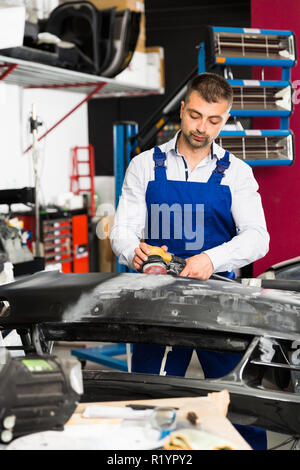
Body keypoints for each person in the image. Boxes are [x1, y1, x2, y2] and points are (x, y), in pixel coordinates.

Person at [110, 72, 270, 449]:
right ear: (182, 110)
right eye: (195, 116)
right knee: (152, 404)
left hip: (218, 302)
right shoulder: (144, 166)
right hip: (157, 302)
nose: (202, 128)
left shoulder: (237, 173)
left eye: (214, 120)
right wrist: (131, 249)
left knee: (240, 406)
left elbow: (258, 237)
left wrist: (212, 260)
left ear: (226, 119)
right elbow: (122, 229)